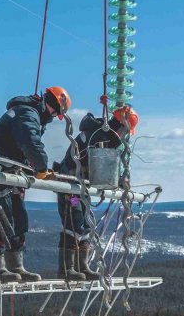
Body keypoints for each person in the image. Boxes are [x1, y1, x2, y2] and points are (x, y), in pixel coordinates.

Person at [0, 86, 72, 283]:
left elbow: (21, 148)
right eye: (56, 112)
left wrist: (34, 170)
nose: (54, 117)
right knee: (0, 219)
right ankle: (0, 269)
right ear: (52, 105)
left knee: (19, 219)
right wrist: (41, 166)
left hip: (9, 170)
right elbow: (30, 142)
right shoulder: (27, 113)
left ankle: (17, 267)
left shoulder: (31, 114)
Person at [55, 105, 138, 281]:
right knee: (73, 223)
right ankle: (67, 268)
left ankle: (81, 267)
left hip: (78, 186)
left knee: (85, 223)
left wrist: (119, 181)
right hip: (70, 186)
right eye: (126, 132)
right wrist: (119, 182)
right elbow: (103, 173)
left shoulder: (99, 134)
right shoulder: (100, 137)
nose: (125, 137)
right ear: (122, 127)